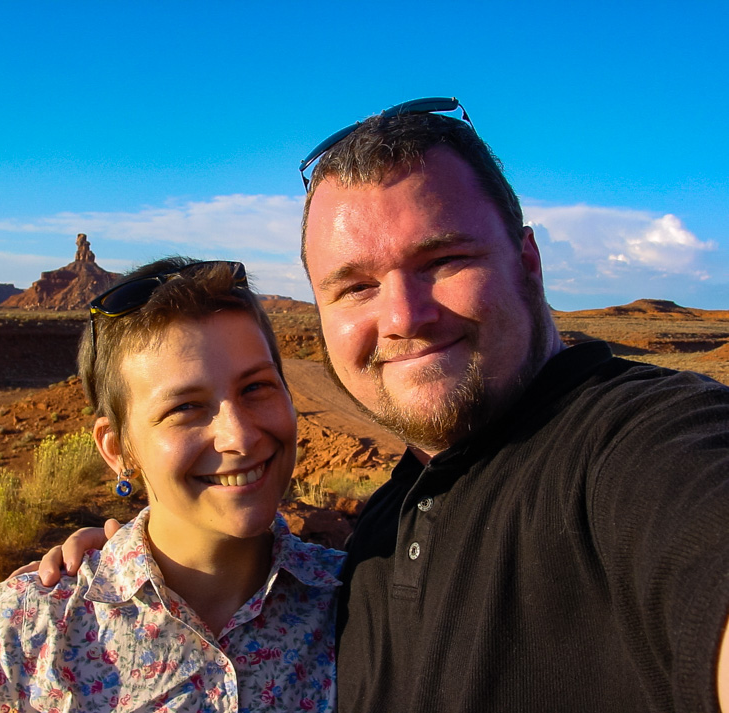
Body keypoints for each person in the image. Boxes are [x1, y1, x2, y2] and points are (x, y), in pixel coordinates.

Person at [36, 99, 729, 712]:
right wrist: (138, 562)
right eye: (355, 286)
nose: (404, 316)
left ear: (528, 261)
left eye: (443, 260)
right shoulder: (368, 550)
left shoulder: (638, 446)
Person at [0, 258, 342, 712]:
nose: (238, 436)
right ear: (117, 449)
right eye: (185, 408)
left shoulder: (364, 603)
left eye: (256, 387)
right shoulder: (27, 628)